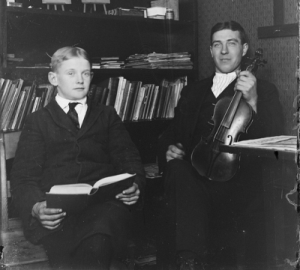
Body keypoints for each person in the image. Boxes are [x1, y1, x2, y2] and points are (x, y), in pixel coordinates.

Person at [156, 21, 284, 270]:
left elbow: (275, 140)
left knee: (183, 190)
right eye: (217, 44)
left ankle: (189, 258)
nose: (224, 51)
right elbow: (171, 133)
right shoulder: (194, 90)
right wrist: (169, 148)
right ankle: (189, 261)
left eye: (231, 43)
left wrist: (254, 101)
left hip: (235, 181)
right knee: (177, 171)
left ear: (244, 49)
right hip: (195, 176)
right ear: (210, 51)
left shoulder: (265, 90)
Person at [11, 46, 146, 270]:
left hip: (103, 207)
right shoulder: (38, 121)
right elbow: (23, 178)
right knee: (79, 251)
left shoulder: (107, 115)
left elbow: (129, 160)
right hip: (58, 214)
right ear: (54, 78)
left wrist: (136, 185)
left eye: (86, 73)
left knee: (99, 236)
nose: (80, 80)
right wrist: (36, 208)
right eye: (71, 73)